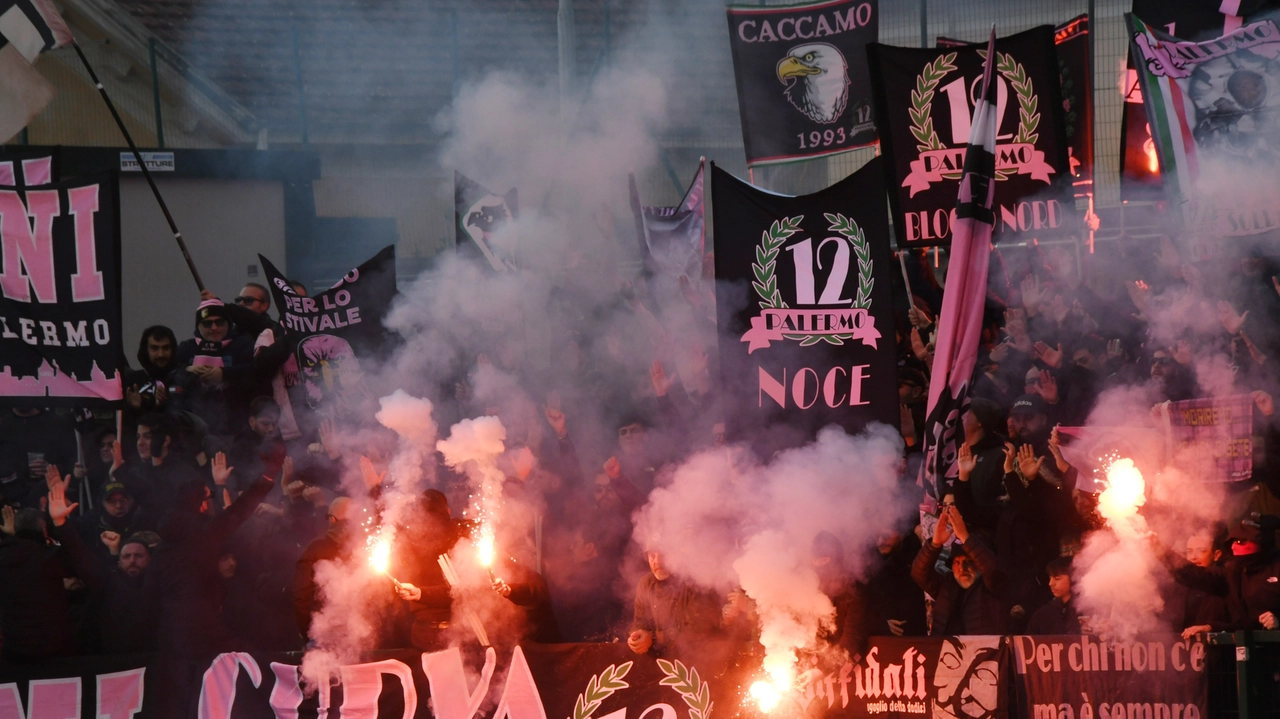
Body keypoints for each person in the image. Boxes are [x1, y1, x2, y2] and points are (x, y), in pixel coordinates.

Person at [0, 466, 93, 663]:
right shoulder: (50, 557)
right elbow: (81, 562)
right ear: (43, 531)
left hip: (14, 656)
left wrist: (13, 539)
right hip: (56, 653)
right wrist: (59, 522)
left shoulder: (6, 557)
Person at [912, 505, 1007, 635]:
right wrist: (934, 545)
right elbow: (919, 573)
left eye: (968, 562)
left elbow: (991, 568)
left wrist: (964, 537)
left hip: (983, 653)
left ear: (978, 562)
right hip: (943, 652)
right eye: (956, 562)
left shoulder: (992, 586)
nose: (962, 568)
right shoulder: (945, 586)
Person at [627, 547, 721, 658]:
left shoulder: (696, 580)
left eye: (664, 554)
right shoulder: (645, 583)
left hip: (700, 659)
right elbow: (640, 622)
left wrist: (654, 638)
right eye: (652, 555)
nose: (657, 561)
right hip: (660, 659)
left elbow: (698, 630)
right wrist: (636, 637)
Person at [90, 535, 159, 654]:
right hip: (116, 657)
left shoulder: (162, 585)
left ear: (150, 558)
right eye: (127, 556)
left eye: (138, 555)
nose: (132, 560)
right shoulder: (108, 586)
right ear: (119, 562)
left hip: (154, 654)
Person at [1026, 557, 1081, 634]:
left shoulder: (1087, 611)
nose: (1051, 583)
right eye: (1050, 578)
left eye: (1057, 578)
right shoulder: (1042, 615)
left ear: (1073, 578)